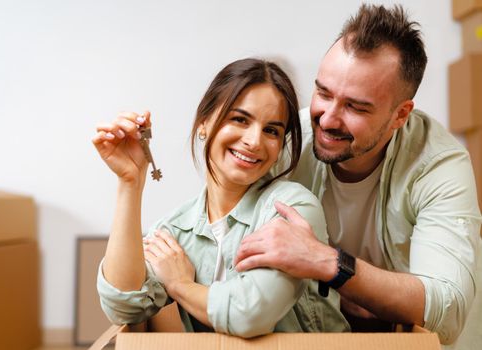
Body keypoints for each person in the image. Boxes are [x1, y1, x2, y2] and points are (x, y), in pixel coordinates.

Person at [233, 4, 482, 344]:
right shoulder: (291, 141)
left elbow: (448, 308)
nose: (328, 118)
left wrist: (328, 265)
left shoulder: (439, 165)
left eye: (355, 107)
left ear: (400, 115)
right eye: (323, 92)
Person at [93, 58, 349, 337]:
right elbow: (123, 306)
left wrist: (181, 285)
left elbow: (250, 314)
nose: (254, 141)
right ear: (204, 122)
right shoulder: (177, 229)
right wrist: (130, 182)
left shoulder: (293, 209)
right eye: (240, 119)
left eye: (271, 130)